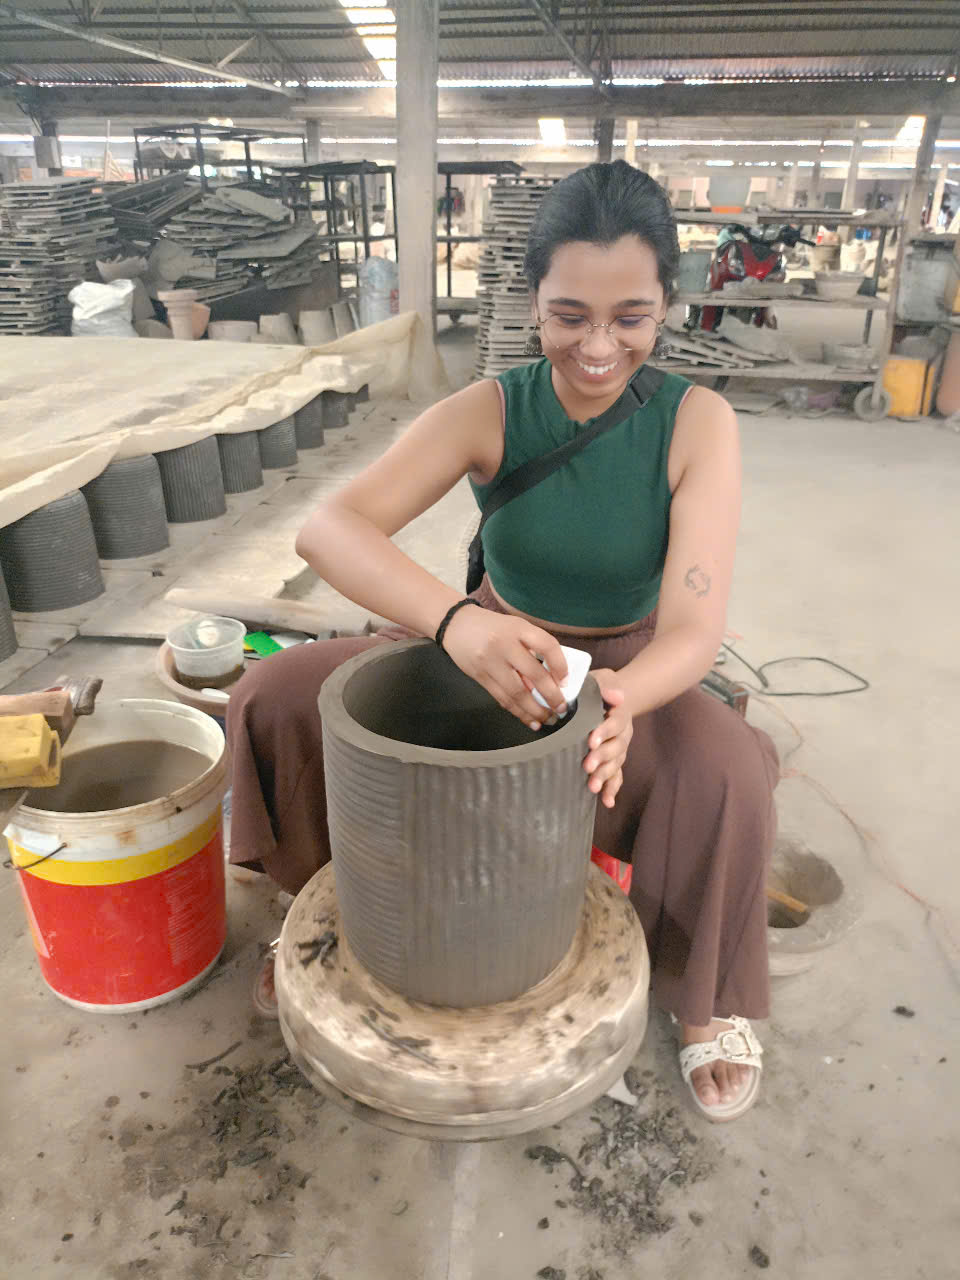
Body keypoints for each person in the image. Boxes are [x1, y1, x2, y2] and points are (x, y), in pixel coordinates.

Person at [226, 161, 780, 1124]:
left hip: (627, 667)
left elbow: (694, 628)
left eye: (630, 317)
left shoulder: (698, 423)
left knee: (728, 774)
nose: (598, 346)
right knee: (274, 695)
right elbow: (328, 528)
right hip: (484, 642)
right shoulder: (491, 409)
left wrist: (622, 701)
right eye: (570, 316)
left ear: (666, 305)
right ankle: (319, 906)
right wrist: (459, 623)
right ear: (533, 304)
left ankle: (704, 997)